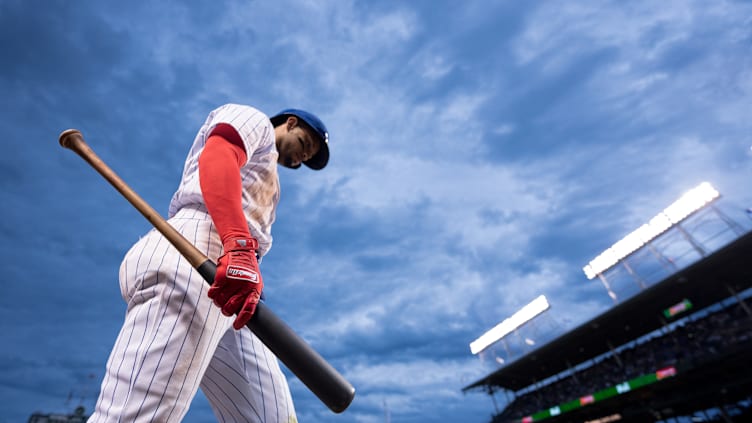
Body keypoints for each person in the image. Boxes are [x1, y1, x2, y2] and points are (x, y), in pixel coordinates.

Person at [87, 103, 330, 423]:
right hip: (196, 251)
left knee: (272, 417)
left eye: (308, 157)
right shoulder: (252, 118)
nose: (303, 157)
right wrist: (240, 246)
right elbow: (219, 153)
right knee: (138, 416)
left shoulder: (269, 177)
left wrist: (245, 260)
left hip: (231, 284)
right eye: (306, 145)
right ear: (290, 122)